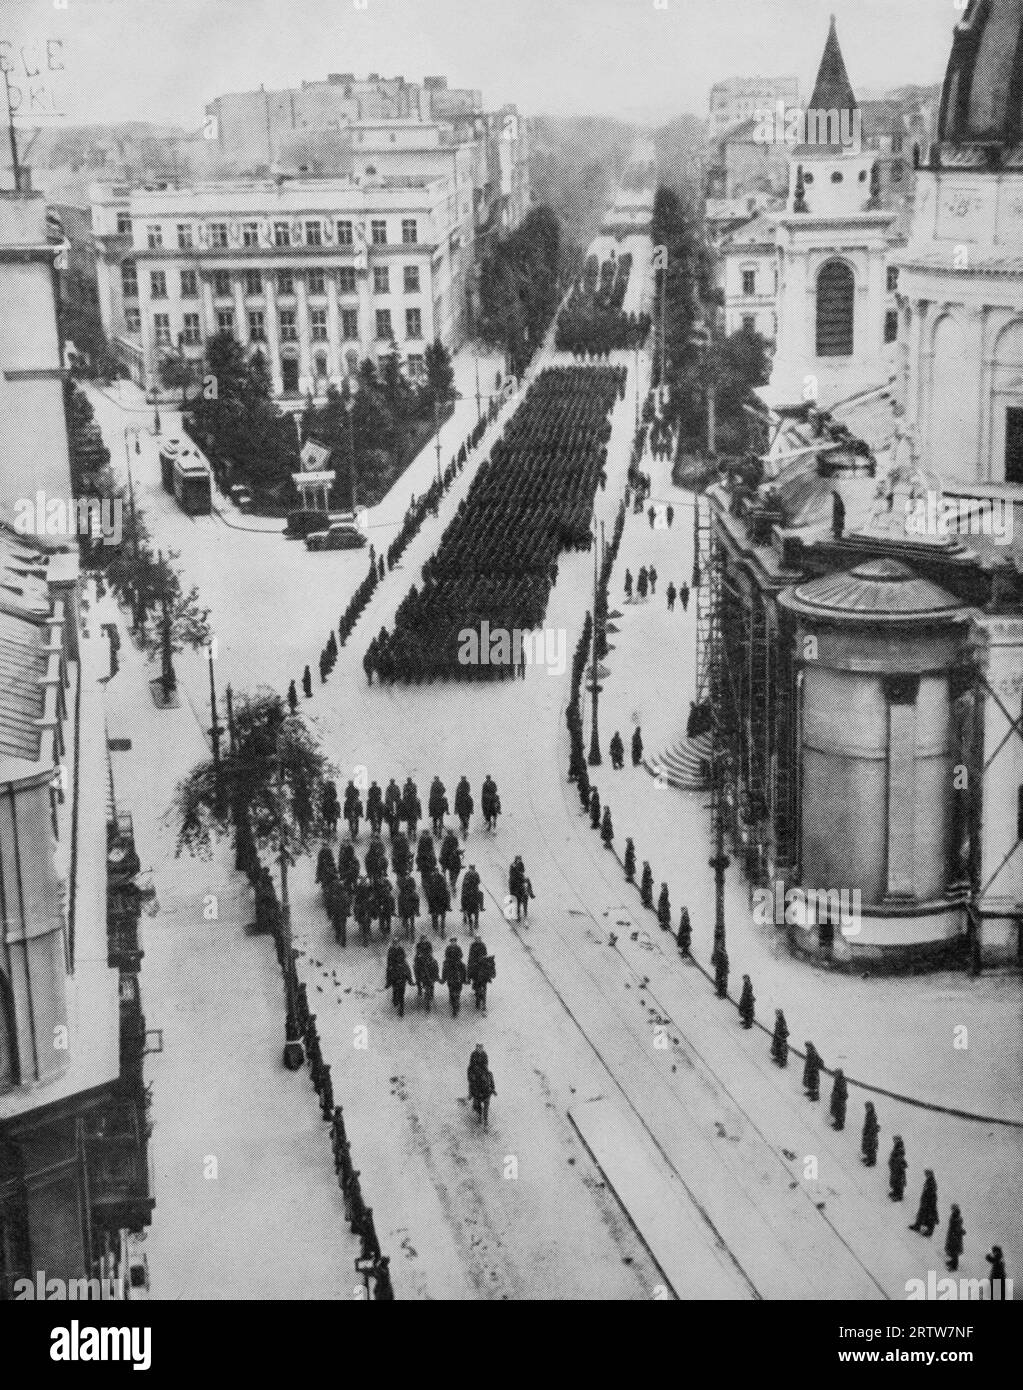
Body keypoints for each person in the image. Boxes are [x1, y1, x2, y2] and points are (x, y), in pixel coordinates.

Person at [385, 943, 413, 1017]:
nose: (396, 944)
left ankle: (410, 980)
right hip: (393, 963)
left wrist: (400, 959)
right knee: (389, 970)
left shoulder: (401, 949)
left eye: (397, 943)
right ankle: (388, 983)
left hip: (401, 963)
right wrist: (393, 961)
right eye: (395, 943)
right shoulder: (391, 949)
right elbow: (389, 957)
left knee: (407, 968)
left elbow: (404, 955)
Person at [910, 1170, 939, 1237]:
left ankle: (929, 1231)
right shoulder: (929, 1181)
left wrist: (928, 1200)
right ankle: (917, 1226)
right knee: (921, 1213)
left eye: (927, 1174)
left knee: (929, 1214)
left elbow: (932, 1192)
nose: (926, 1175)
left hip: (929, 1201)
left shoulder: (931, 1182)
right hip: (925, 1201)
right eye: (926, 1174)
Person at [442, 939, 467, 1016]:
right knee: (445, 967)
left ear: (456, 942)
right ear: (450, 942)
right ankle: (444, 978)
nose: (453, 943)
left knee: (463, 966)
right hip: (449, 962)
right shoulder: (448, 948)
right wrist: (449, 960)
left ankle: (465, 979)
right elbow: (446, 955)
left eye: (454, 942)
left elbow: (461, 955)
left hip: (457, 961)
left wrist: (458, 958)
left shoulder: (458, 947)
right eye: (452, 942)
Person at [414, 936, 439, 1009]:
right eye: (422, 939)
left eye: (424, 939)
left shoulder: (429, 944)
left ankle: (435, 976)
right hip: (420, 958)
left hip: (428, 957)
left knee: (435, 963)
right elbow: (417, 951)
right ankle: (418, 981)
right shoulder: (418, 944)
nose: (423, 940)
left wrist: (429, 955)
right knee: (415, 966)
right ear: (421, 939)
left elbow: (431, 951)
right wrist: (419, 955)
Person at [461, 864, 482, 929]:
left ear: (469, 868)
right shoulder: (476, 873)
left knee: (463, 897)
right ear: (474, 868)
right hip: (475, 890)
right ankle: (481, 907)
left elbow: (464, 883)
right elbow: (478, 882)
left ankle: (463, 908)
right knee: (481, 895)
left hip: (467, 891)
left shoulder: (467, 874)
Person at [945, 1205, 965, 1272]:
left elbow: (958, 1229)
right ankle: (952, 1261)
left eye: (953, 1209)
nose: (952, 1210)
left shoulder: (957, 1219)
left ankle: (954, 1267)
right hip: (952, 1236)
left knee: (954, 1252)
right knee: (952, 1251)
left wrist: (961, 1231)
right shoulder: (954, 1216)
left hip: (955, 1238)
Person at [888, 1136, 907, 1201]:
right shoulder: (897, 1146)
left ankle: (899, 1196)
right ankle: (895, 1192)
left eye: (895, 1139)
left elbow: (899, 1157)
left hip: (898, 1168)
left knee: (898, 1181)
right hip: (895, 1167)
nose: (894, 1141)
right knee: (895, 1180)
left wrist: (896, 1164)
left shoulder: (900, 1147)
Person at [860, 1101, 879, 1166]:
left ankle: (872, 1161)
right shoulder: (868, 1114)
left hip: (871, 1134)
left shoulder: (872, 1115)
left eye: (869, 1107)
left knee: (871, 1147)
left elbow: (873, 1126)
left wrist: (869, 1133)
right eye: (866, 1107)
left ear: (871, 1107)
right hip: (868, 1133)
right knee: (867, 1146)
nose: (867, 1108)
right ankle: (868, 1158)